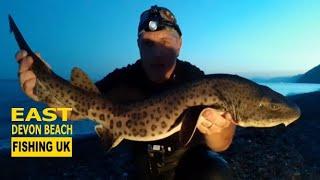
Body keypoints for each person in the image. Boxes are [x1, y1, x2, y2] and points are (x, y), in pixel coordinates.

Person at [15, 5, 235, 180]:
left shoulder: (197, 80)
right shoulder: (122, 80)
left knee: (214, 173)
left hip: (190, 165)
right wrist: (44, 95)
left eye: (166, 42)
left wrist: (218, 127)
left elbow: (221, 144)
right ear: (138, 45)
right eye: (149, 44)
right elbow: (75, 111)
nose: (158, 52)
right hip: (145, 166)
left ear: (180, 44)